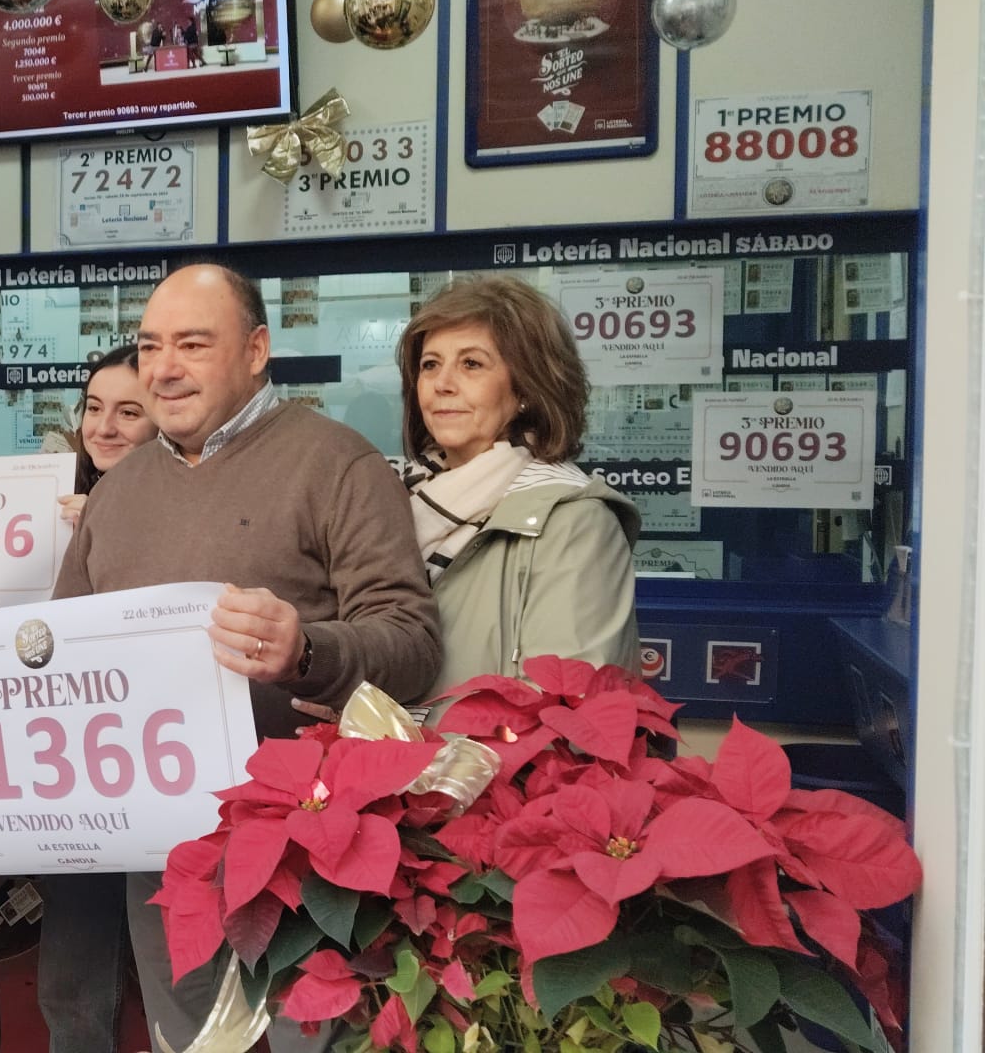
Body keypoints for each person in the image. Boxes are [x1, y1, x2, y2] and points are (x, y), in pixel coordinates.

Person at [53, 264, 442, 1053]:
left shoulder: (338, 463)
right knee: (187, 1038)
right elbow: (63, 655)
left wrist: (307, 649)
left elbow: (413, 642)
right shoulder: (120, 491)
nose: (164, 367)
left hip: (310, 839)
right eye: (151, 344)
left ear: (257, 349)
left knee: (315, 1040)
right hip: (159, 840)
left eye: (193, 344)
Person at [296, 276, 639, 705]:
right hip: (384, 767)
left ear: (528, 389)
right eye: (430, 365)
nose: (443, 384)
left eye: (471, 364)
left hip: (484, 770)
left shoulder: (575, 522)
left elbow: (572, 714)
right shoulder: (390, 501)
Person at [37, 343, 159, 1052]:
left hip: (157, 765)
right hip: (75, 774)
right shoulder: (44, 502)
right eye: (94, 408)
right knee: (70, 980)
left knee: (173, 975)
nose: (105, 426)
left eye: (128, 411)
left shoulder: (179, 505)